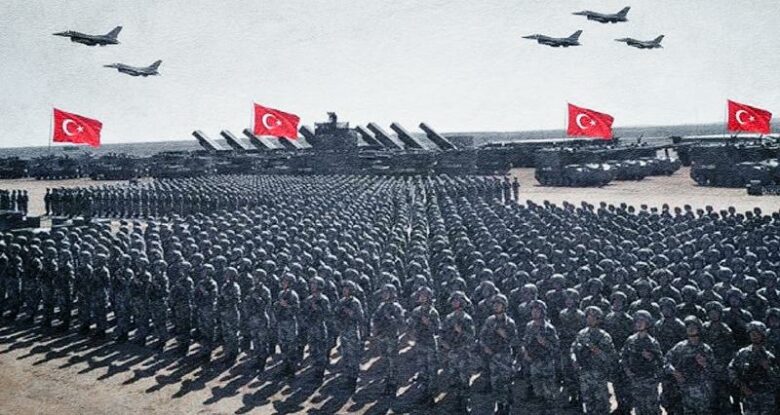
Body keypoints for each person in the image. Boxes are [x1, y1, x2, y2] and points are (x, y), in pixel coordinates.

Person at [664, 316, 717, 414]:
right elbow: (666, 361)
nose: (691, 329)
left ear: (699, 329)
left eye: (694, 326)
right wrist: (674, 372)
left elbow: (715, 371)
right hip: (685, 391)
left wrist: (705, 364)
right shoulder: (680, 347)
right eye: (688, 326)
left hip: (703, 393)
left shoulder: (705, 349)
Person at [571, 306, 618, 414]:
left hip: (599, 374)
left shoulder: (604, 336)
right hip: (584, 373)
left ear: (598, 320)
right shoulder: (582, 334)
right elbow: (574, 348)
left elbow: (611, 357)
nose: (590, 319)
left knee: (602, 403)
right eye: (588, 316)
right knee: (588, 402)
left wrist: (597, 351)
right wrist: (574, 359)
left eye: (593, 317)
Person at [728, 321, 779, 415]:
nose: (754, 336)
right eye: (752, 333)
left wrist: (768, 368)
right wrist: (741, 385)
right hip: (749, 397)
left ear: (762, 335)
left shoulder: (769, 356)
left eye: (757, 333)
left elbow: (776, 379)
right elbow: (731, 369)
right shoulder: (743, 353)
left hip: (766, 398)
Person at [479, 293, 516, 415]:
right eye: (494, 304)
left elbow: (514, 341)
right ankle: (499, 405)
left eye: (498, 304)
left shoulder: (509, 322)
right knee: (495, 382)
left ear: (504, 306)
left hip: (505, 356)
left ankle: (507, 406)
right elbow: (482, 337)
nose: (496, 306)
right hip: (493, 356)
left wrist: (504, 335)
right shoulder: (489, 321)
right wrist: (485, 347)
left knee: (506, 381)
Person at [621, 310, 664, 415]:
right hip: (635, 380)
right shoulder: (630, 340)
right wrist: (627, 370)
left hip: (649, 381)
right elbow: (623, 357)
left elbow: (661, 362)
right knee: (639, 408)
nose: (639, 324)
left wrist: (651, 358)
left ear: (647, 323)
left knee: (651, 408)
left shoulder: (652, 342)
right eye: (637, 321)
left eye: (642, 321)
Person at [522, 299, 560, 413]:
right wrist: (525, 353)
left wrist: (545, 343)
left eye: (537, 310)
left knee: (549, 393)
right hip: (534, 363)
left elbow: (556, 348)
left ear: (543, 312)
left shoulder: (549, 328)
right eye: (533, 310)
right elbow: (525, 342)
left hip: (546, 364)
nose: (534, 312)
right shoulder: (529, 326)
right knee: (537, 391)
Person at [407, 285, 441, 405]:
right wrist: (411, 334)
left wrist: (428, 323)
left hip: (430, 344)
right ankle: (424, 394)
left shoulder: (433, 312)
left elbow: (437, 330)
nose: (422, 297)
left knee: (432, 370)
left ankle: (431, 396)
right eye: (420, 295)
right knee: (422, 370)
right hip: (420, 343)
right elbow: (410, 325)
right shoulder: (416, 311)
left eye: (424, 295)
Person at [371, 283, 405, 396]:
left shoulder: (396, 307)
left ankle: (393, 385)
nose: (384, 294)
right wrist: (375, 329)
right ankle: (387, 383)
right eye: (383, 292)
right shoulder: (381, 306)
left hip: (392, 337)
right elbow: (375, 318)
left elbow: (401, 324)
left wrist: (390, 318)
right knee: (385, 360)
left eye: (387, 292)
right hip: (382, 337)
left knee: (393, 362)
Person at [336, 280, 364, 391]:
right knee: (345, 356)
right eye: (343, 288)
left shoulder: (355, 302)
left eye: (346, 288)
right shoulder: (341, 301)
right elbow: (336, 314)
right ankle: (348, 378)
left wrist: (351, 313)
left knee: (353, 356)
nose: (344, 290)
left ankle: (353, 380)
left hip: (352, 332)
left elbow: (361, 317)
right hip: (343, 331)